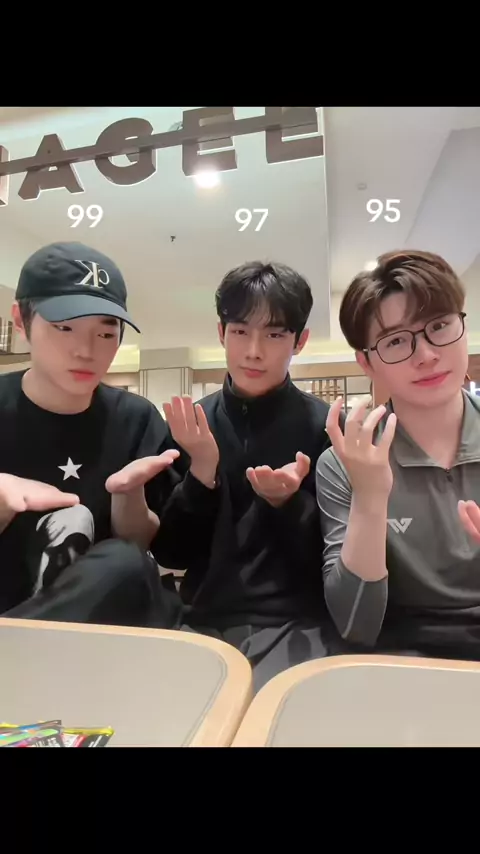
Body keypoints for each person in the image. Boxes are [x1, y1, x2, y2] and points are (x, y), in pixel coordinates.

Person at [154, 261, 343, 691]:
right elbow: (172, 553)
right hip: (202, 621)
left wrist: (288, 504)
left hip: (301, 624)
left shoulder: (328, 428)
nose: (254, 351)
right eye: (240, 331)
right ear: (222, 333)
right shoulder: (190, 426)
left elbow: (336, 559)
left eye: (274, 335)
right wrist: (201, 473)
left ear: (300, 341)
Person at [0, 241, 181, 629]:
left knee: (126, 563)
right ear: (20, 321)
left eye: (105, 333)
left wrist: (128, 495)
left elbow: (140, 544)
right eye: (64, 328)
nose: (86, 351)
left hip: (105, 633)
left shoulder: (137, 419)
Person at [316, 248, 480, 660]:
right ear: (367, 363)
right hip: (399, 658)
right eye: (395, 341)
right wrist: (370, 498)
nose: (426, 355)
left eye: (439, 326)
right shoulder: (344, 463)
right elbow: (355, 625)